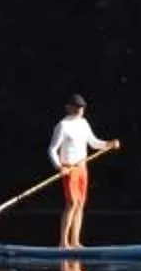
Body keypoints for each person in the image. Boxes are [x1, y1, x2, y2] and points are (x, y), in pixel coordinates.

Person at [48, 96, 119, 249]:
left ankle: (75, 242)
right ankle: (63, 243)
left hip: (82, 168)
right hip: (69, 168)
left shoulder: (84, 123)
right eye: (77, 107)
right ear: (69, 108)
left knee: (80, 204)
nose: (81, 110)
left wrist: (109, 144)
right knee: (71, 203)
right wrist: (60, 166)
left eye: (82, 107)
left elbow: (94, 142)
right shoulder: (62, 126)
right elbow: (52, 149)